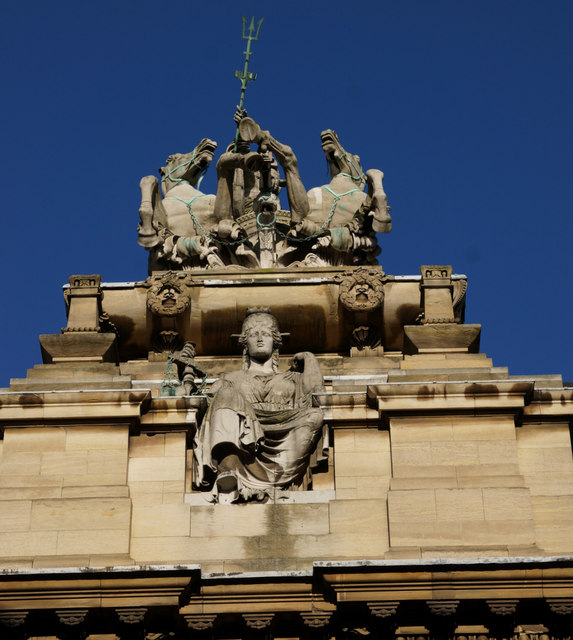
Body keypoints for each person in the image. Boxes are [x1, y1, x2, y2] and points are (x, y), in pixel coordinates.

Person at [193, 308, 326, 502]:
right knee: (225, 393)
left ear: (275, 340)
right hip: (246, 442)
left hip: (286, 431)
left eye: (265, 334)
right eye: (254, 335)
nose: (260, 339)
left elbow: (319, 398)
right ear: (245, 343)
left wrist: (309, 359)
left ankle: (277, 476)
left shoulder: (293, 378)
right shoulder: (230, 379)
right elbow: (210, 407)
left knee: (315, 416)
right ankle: (228, 469)